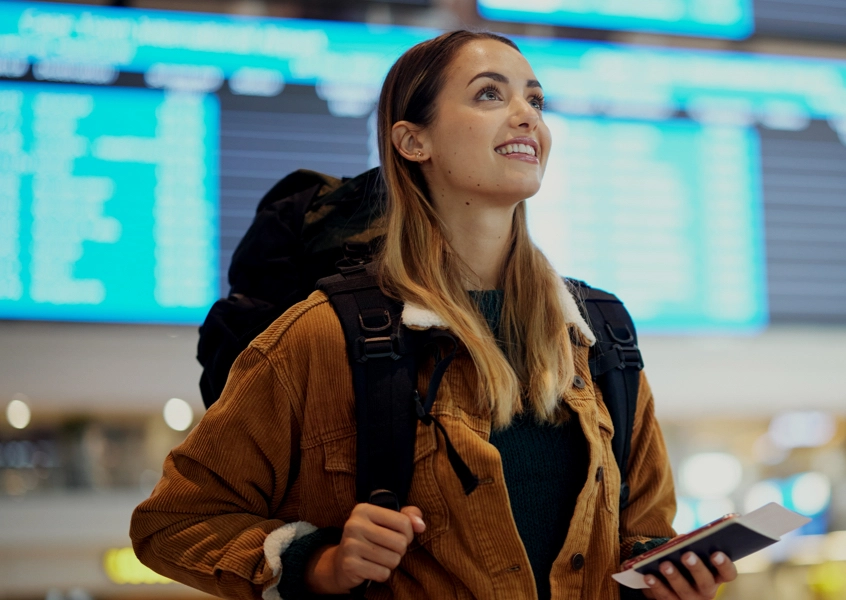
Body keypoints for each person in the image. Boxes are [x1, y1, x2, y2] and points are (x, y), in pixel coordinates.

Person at [130, 30, 737, 600]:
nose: (527, 115)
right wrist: (319, 563)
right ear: (411, 141)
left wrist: (664, 574)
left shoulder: (599, 335)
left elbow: (644, 529)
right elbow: (174, 521)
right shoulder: (324, 336)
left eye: (535, 99)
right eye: (490, 95)